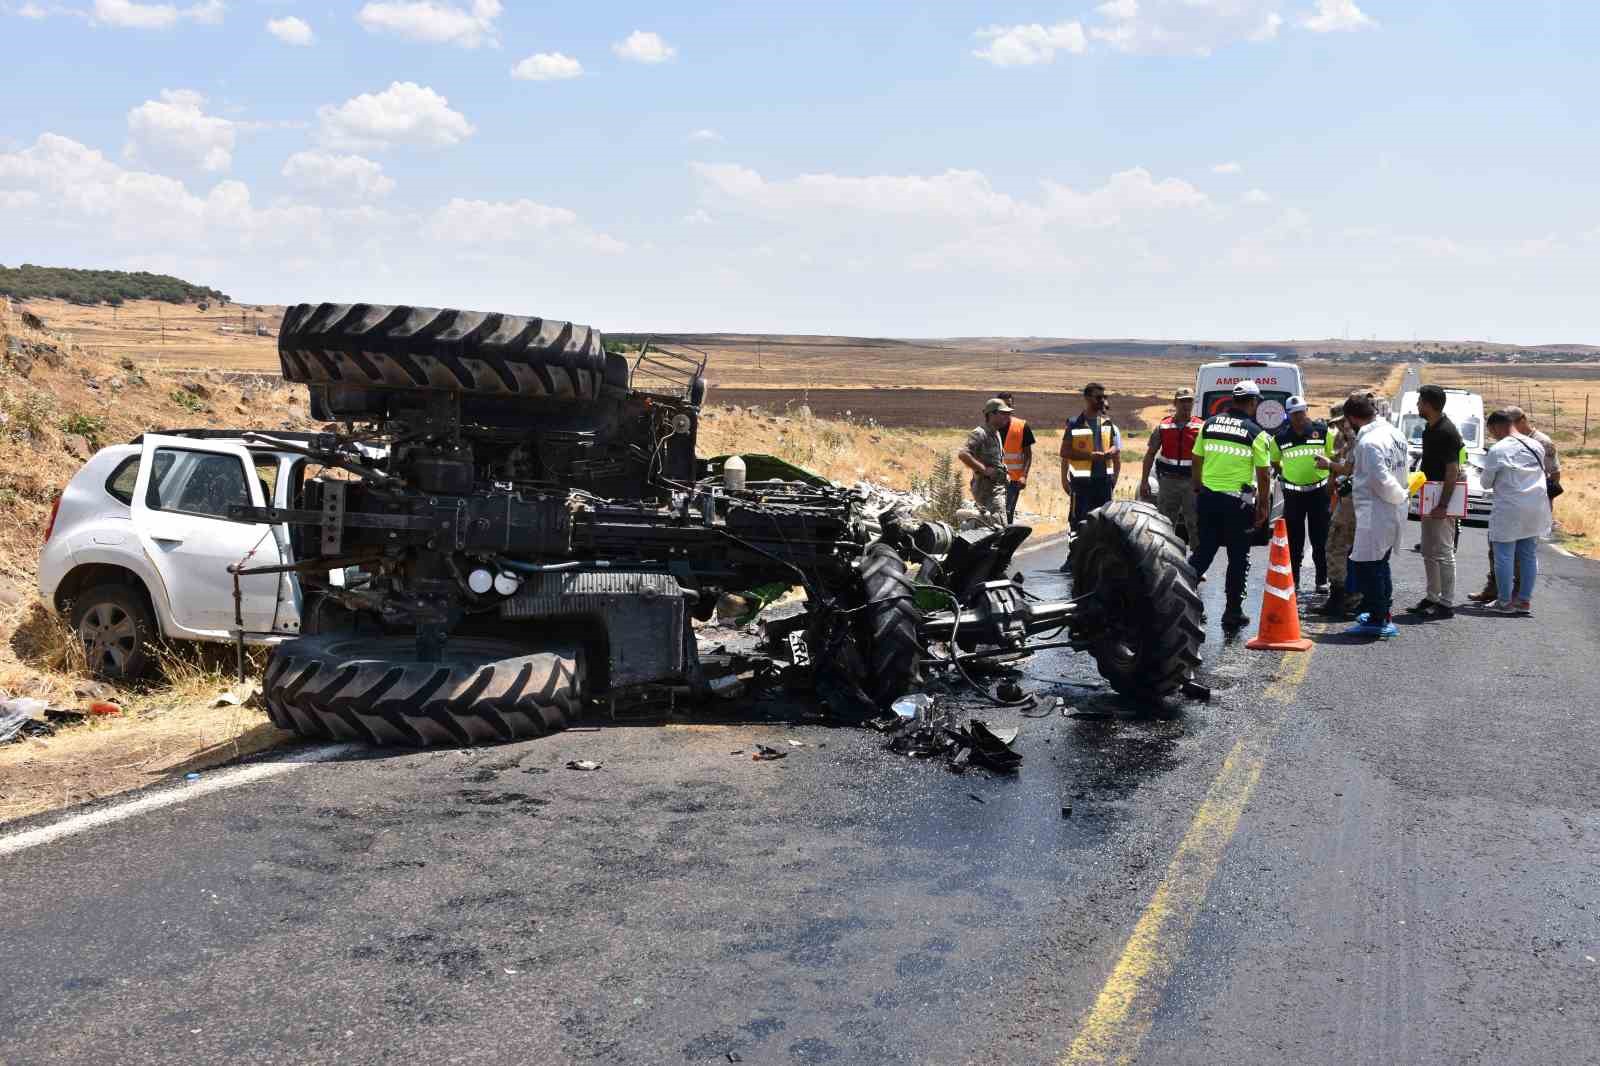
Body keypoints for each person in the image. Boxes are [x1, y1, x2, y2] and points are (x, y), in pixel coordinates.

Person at [1188, 381, 1273, 628]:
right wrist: (1263, 507)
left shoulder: (1209, 424)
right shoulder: (1256, 433)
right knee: (1238, 557)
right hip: (1238, 504)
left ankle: (1180, 598)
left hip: (1207, 498)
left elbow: (1196, 458)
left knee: (1204, 552)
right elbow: (1264, 474)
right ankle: (1233, 611)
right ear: (1252, 402)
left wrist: (1197, 488)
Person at [1342, 391, 1411, 639]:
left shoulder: (1370, 442)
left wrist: (1399, 496)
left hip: (1378, 509)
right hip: (1390, 509)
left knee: (1368, 565)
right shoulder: (1396, 433)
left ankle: (1378, 616)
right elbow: (1405, 468)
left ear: (1352, 417)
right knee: (1379, 562)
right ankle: (1380, 610)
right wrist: (1402, 497)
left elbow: (1381, 481)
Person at [1480, 409, 1550, 615]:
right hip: (1536, 506)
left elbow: (1485, 483)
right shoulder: (1536, 444)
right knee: (1528, 554)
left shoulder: (1498, 450)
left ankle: (1504, 601)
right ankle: (1524, 600)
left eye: (1491, 432)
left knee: (1504, 555)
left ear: (1495, 427)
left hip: (1510, 508)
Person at [1406, 384, 1464, 620]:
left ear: (1429, 404)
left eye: (1420, 401)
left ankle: (1446, 602)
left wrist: (1443, 505)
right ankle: (1432, 596)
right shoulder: (1429, 429)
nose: (1417, 405)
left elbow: (1452, 471)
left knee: (1443, 550)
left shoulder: (1447, 432)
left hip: (1442, 499)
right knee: (1429, 550)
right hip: (1429, 495)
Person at [1272, 395, 1333, 592]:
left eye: (1301, 412)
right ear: (1288, 415)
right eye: (1294, 414)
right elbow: (1274, 461)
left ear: (1306, 411)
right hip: (1293, 495)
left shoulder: (1322, 432)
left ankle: (1322, 580)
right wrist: (1288, 474)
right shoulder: (1280, 438)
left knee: (1320, 539)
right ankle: (1295, 580)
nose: (1299, 417)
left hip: (1319, 493)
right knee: (1295, 541)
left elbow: (1333, 459)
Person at [1139, 387, 1202, 549]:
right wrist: (1144, 481)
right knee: (1164, 525)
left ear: (1193, 403)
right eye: (1182, 401)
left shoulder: (1201, 427)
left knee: (1195, 525)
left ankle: (1197, 568)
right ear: (1175, 403)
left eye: (1189, 401)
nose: (1186, 405)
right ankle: (1166, 562)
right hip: (1168, 483)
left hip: (1193, 484)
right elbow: (1150, 454)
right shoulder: (1163, 426)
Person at [1314, 400, 1361, 617]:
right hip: (1344, 499)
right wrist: (1331, 479)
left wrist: (1330, 466)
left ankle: (1345, 597)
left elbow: (1349, 468)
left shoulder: (1359, 440)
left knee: (1338, 546)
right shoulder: (1343, 439)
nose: (1342, 427)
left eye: (1344, 422)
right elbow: (1337, 465)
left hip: (1355, 500)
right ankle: (1342, 594)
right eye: (1338, 423)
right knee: (1338, 546)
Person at [1061, 382, 1121, 525]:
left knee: (1102, 524)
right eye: (1098, 397)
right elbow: (1064, 451)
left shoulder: (1107, 422)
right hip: (1082, 484)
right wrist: (1090, 456)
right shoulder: (1075, 423)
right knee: (1080, 523)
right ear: (1087, 398)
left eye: (1104, 397)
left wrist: (1110, 452)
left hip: (1104, 482)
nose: (1102, 400)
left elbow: (1115, 448)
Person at [959, 398, 1011, 524]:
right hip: (986, 487)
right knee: (997, 523)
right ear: (991, 414)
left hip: (997, 487)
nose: (1007, 417)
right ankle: (967, 519)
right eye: (1003, 413)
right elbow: (963, 454)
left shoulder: (996, 433)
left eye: (1008, 414)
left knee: (993, 524)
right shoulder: (980, 433)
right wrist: (984, 470)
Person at [994, 392, 1034, 524]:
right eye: (1003, 405)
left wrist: (1024, 476)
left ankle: (1004, 543)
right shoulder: (990, 427)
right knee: (993, 514)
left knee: (1007, 513)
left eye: (1009, 405)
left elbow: (1028, 454)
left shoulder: (1021, 426)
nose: (1006, 409)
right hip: (991, 479)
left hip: (1013, 481)